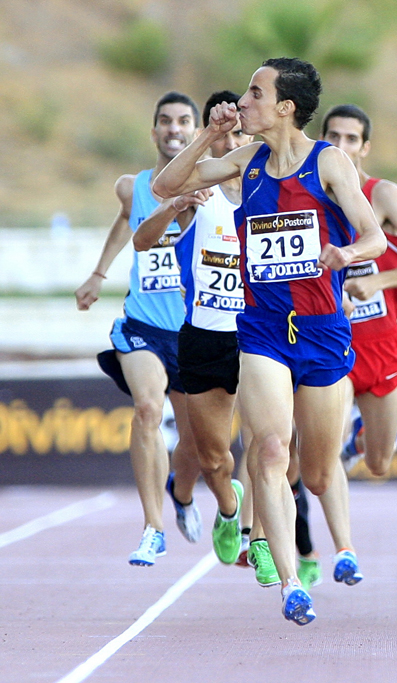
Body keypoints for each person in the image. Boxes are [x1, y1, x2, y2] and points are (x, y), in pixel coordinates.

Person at [152, 57, 386, 625]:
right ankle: (288, 582)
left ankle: (330, 533)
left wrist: (346, 254)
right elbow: (165, 184)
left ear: (285, 107)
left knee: (318, 472)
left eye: (255, 94)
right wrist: (209, 135)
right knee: (270, 449)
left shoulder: (328, 162)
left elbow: (375, 236)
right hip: (260, 331)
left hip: (322, 331)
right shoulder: (246, 159)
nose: (243, 103)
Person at [75, 92, 203, 566]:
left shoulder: (214, 186)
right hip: (144, 324)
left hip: (194, 333)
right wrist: (98, 274)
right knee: (148, 409)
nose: (174, 128)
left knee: (197, 444)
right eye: (166, 121)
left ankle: (183, 494)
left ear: (195, 131)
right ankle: (153, 527)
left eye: (183, 121)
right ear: (154, 132)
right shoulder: (135, 187)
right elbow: (124, 223)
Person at [133, 90, 254, 568]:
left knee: (269, 442)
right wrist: (177, 204)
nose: (233, 141)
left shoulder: (268, 186)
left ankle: (258, 540)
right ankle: (228, 508)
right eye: (223, 133)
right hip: (205, 330)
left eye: (239, 131)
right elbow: (143, 242)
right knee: (212, 457)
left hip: (259, 332)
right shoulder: (198, 191)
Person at [315, 103, 397, 585]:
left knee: (381, 463)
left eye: (351, 139)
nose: (341, 147)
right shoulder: (305, 192)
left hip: (381, 343)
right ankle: (345, 549)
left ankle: (359, 440)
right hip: (329, 343)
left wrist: (379, 282)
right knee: (322, 457)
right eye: (333, 137)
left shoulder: (382, 194)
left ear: (364, 147)